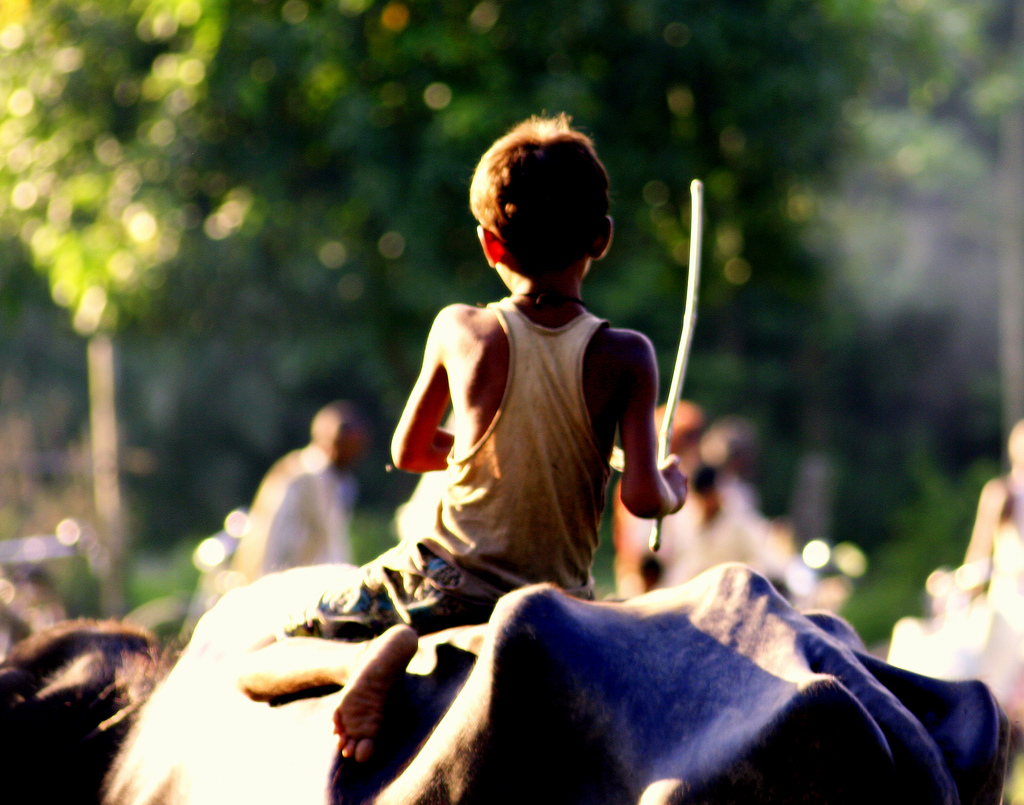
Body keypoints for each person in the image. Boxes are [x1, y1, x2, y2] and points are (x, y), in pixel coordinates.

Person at [254, 114, 687, 764]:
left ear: (490, 245)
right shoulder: (627, 354)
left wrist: (470, 452)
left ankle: (359, 663)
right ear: (602, 238)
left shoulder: (460, 329)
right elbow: (644, 499)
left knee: (262, 651)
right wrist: (672, 484)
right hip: (561, 599)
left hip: (445, 583)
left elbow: (407, 451)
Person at [230, 401, 368, 584]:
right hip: (288, 587)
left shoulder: (340, 482)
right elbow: (272, 542)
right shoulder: (299, 476)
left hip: (322, 586)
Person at [611, 401, 704, 596]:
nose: (694, 444)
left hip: (685, 586)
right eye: (688, 437)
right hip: (651, 590)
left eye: (696, 436)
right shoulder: (644, 481)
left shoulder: (691, 482)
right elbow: (638, 551)